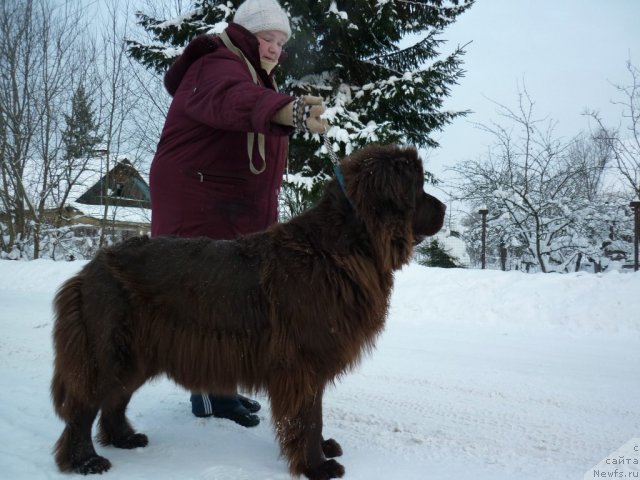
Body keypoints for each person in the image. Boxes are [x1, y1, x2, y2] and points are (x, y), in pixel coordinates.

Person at [149, 0, 328, 428]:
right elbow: (232, 100)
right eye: (267, 39)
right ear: (246, 34)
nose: (274, 49)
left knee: (230, 299)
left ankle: (221, 391)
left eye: (281, 43)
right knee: (208, 299)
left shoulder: (250, 70)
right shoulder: (216, 64)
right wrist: (289, 110)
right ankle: (210, 397)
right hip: (200, 198)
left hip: (226, 200)